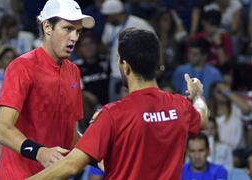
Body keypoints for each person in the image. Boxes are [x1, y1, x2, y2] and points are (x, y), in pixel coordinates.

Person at [28, 28, 208, 180]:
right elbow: (203, 117)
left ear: (125, 66)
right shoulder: (180, 106)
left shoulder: (113, 115)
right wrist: (197, 94)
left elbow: (71, 165)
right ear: (156, 63)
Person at [0, 0, 95, 179]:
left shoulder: (73, 72)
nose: (74, 37)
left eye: (78, 31)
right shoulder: (21, 67)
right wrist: (39, 152)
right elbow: (2, 129)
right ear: (47, 27)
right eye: (68, 29)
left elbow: (71, 136)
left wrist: (99, 157)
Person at [100, 0, 154, 101]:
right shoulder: (109, 26)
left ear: (115, 13)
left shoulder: (138, 23)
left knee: (138, 105)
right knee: (115, 107)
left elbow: (154, 43)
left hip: (136, 73)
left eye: (108, 16)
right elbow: (105, 43)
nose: (107, 19)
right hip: (116, 73)